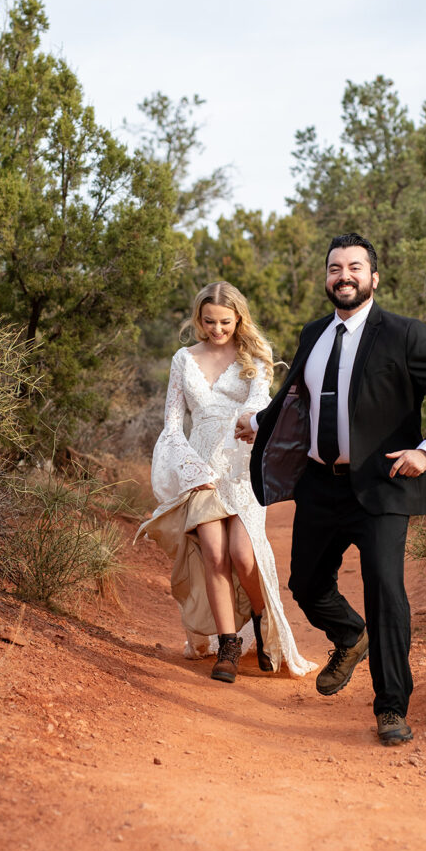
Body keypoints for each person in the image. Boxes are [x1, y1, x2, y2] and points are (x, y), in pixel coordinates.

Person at [236, 234, 426, 743]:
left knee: (386, 593)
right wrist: (259, 422)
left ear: (373, 277)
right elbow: (294, 397)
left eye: (353, 267)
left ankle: (391, 708)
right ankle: (350, 633)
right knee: (305, 583)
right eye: (334, 268)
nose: (343, 276)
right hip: (321, 484)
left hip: (385, 484)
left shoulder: (404, 335)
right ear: (326, 277)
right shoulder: (314, 334)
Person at [135, 281, 315, 683]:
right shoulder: (183, 359)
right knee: (214, 554)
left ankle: (263, 616)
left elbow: (259, 403)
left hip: (241, 463)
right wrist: (187, 467)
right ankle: (229, 645)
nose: (218, 329)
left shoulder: (256, 355)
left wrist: (248, 416)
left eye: (225, 322)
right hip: (200, 467)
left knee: (243, 554)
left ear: (239, 319)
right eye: (210, 321)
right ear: (199, 319)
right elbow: (172, 422)